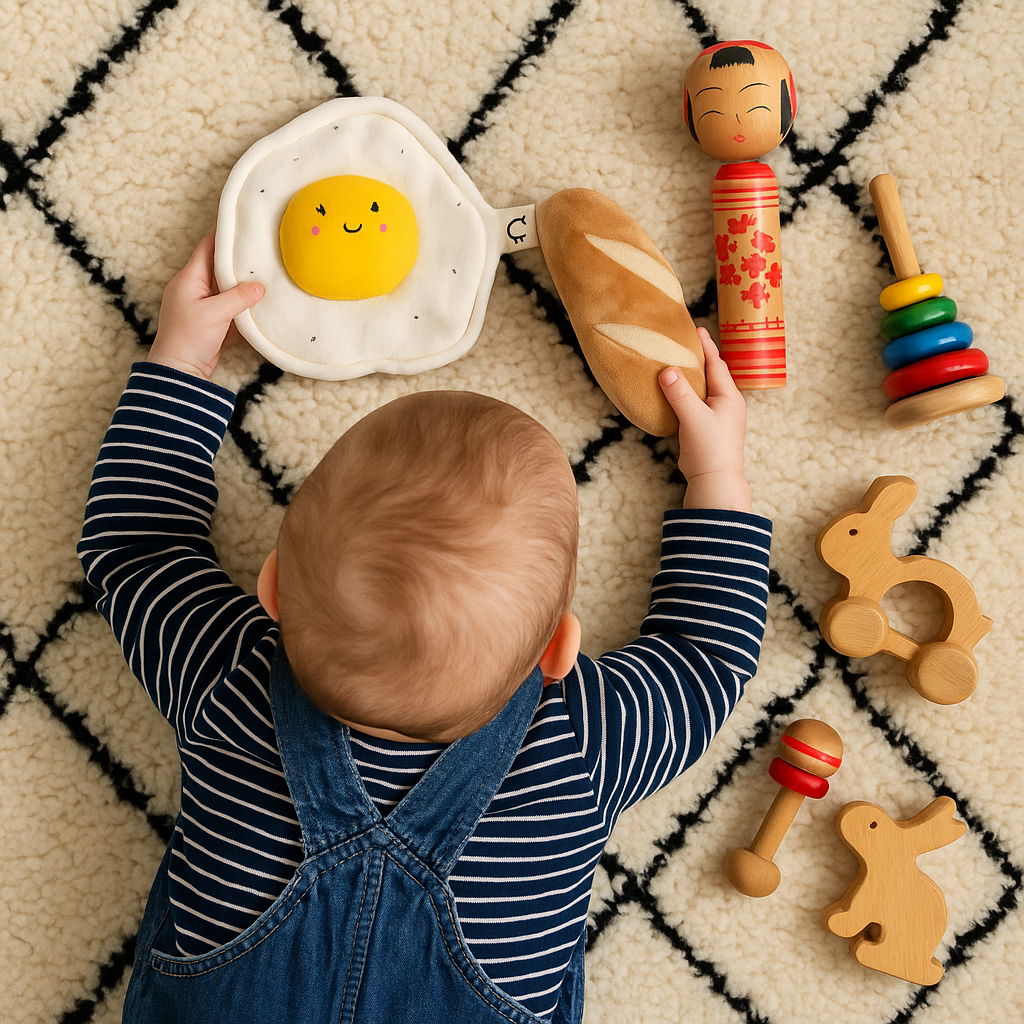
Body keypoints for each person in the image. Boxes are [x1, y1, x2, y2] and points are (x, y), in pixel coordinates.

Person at [79, 230, 772, 1023]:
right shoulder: (583, 739)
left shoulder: (228, 678)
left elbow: (134, 544)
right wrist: (716, 472)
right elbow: (707, 658)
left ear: (272, 587)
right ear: (557, 650)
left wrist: (180, 359)